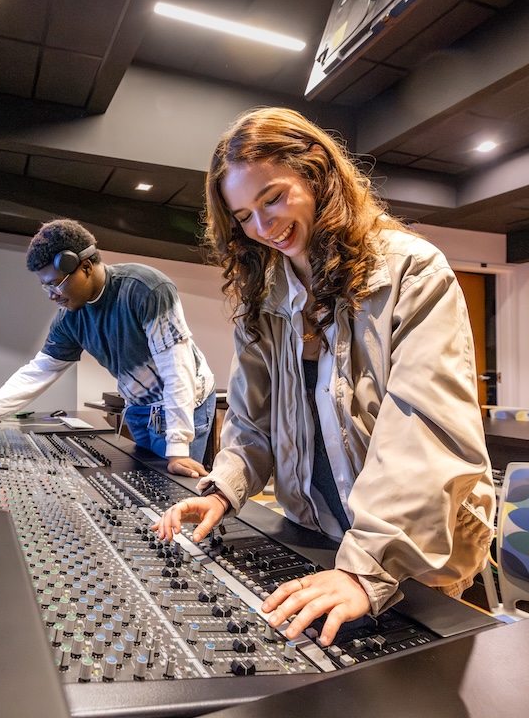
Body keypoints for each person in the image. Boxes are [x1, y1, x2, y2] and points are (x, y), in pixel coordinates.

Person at [153, 107, 495, 646]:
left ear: (317, 174)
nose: (262, 227)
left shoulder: (413, 269)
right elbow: (252, 421)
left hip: (414, 552)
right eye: (243, 215)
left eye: (273, 198)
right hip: (323, 537)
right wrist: (223, 491)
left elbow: (423, 434)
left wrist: (367, 566)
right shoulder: (265, 294)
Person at [0, 218, 217, 478]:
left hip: (184, 402)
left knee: (177, 488)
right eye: (44, 287)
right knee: (154, 486)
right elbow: (38, 372)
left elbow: (177, 368)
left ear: (86, 267)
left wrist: (178, 447)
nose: (51, 296)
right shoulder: (69, 318)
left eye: (55, 284)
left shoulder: (145, 288)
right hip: (140, 408)